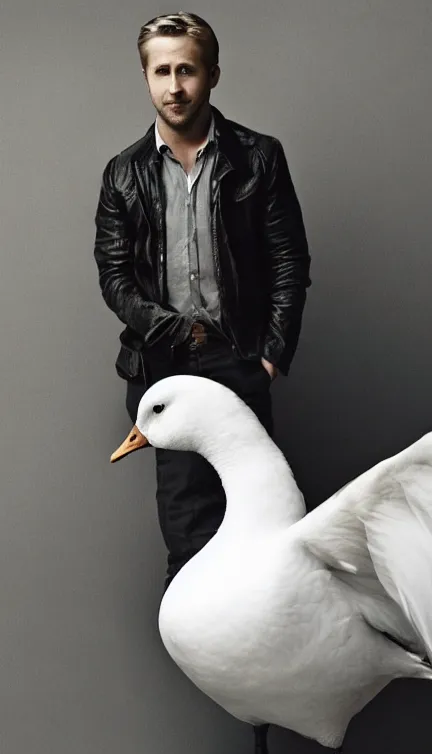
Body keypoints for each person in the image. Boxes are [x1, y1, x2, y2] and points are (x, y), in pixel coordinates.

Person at [93, 12, 311, 589]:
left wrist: (269, 356)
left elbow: (290, 263)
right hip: (163, 365)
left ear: (212, 74)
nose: (174, 86)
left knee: (258, 519)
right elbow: (114, 276)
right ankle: (209, 655)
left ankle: (261, 646)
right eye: (161, 71)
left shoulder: (259, 157)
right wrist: (164, 328)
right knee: (187, 525)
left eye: (186, 69)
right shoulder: (123, 173)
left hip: (236, 354)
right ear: (145, 77)